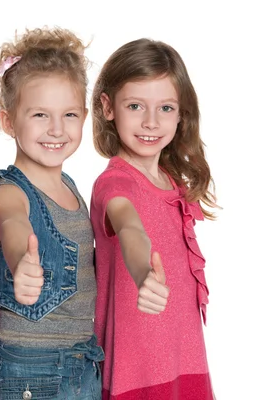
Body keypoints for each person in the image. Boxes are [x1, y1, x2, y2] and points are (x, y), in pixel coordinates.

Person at [0, 27, 104, 400]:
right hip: (30, 373)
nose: (56, 129)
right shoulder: (9, 191)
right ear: (7, 121)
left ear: (84, 116)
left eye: (68, 114)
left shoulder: (71, 189)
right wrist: (22, 261)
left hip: (83, 363)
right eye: (39, 115)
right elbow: (13, 222)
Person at [90, 38, 218, 399]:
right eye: (135, 105)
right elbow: (129, 226)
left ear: (181, 114)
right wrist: (144, 272)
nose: (151, 121)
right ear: (108, 107)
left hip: (184, 363)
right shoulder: (114, 182)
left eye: (165, 108)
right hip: (138, 375)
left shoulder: (173, 183)